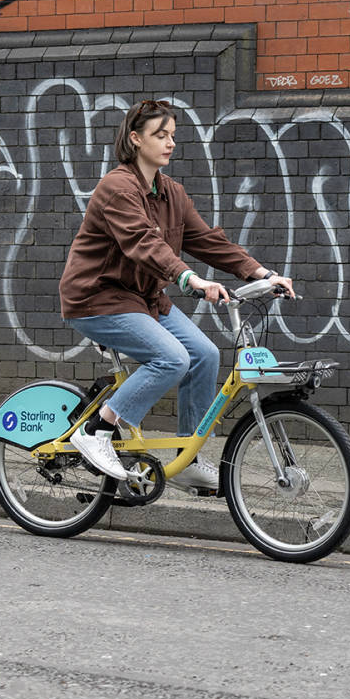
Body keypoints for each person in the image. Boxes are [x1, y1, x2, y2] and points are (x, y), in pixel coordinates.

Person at [58, 99, 296, 487]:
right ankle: (96, 431)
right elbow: (144, 244)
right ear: (135, 139)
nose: (169, 143)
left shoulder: (172, 193)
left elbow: (208, 241)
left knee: (204, 354)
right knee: (171, 358)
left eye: (172, 136)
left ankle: (188, 458)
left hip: (144, 300)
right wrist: (191, 280)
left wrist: (262, 272)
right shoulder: (117, 187)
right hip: (97, 299)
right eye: (160, 135)